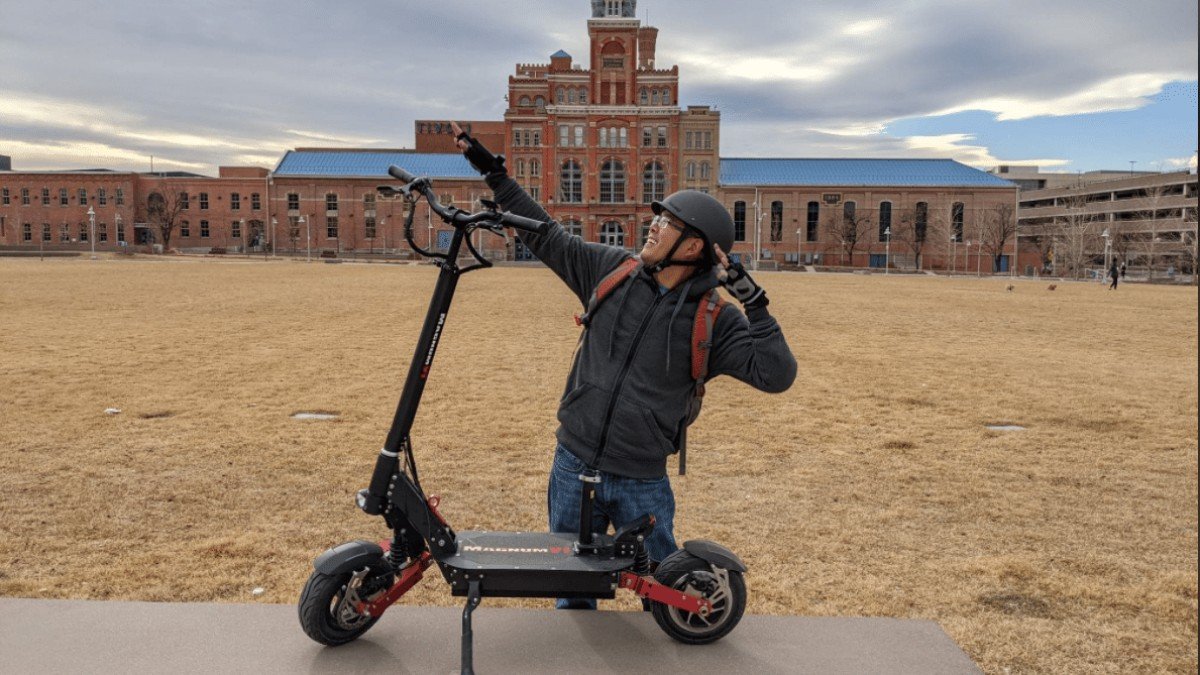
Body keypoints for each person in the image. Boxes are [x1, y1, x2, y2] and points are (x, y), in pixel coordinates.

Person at [451, 121, 797, 609]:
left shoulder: (715, 319)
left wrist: (753, 300)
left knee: (666, 594)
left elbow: (777, 374)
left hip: (642, 482)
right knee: (571, 596)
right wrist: (492, 171)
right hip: (572, 465)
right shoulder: (611, 269)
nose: (652, 226)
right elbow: (546, 234)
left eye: (666, 223)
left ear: (693, 246)